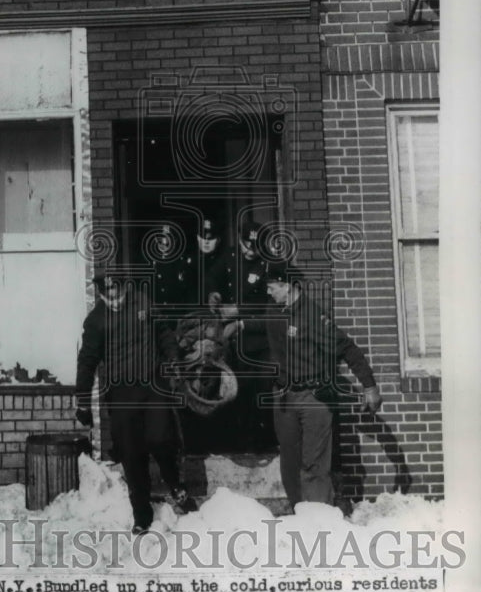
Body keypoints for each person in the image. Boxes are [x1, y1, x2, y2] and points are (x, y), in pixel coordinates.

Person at [229, 262, 383, 509]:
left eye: (272, 288)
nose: (268, 292)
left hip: (314, 397)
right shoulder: (275, 308)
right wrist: (239, 324)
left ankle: (319, 518)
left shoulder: (312, 316)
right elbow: (265, 322)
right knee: (289, 461)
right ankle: (300, 512)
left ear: (289, 287)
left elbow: (347, 348)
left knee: (313, 463)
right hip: (283, 396)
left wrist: (369, 387)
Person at [75, 269, 197, 533]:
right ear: (101, 293)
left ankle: (176, 485)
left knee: (162, 438)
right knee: (131, 453)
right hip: (122, 393)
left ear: (125, 287)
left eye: (118, 293)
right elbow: (87, 361)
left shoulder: (143, 303)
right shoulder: (96, 321)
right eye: (109, 296)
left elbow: (163, 332)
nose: (115, 300)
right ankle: (141, 513)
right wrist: (83, 401)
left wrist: (173, 358)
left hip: (152, 384)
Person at [204, 217, 276, 451]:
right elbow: (212, 275)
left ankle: (265, 442)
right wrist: (213, 292)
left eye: (254, 247)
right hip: (233, 341)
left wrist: (239, 311)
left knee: (262, 392)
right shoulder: (230, 256)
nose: (249, 250)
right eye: (246, 244)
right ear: (239, 240)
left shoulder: (268, 264)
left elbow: (269, 304)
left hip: (259, 341)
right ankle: (239, 441)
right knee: (237, 392)